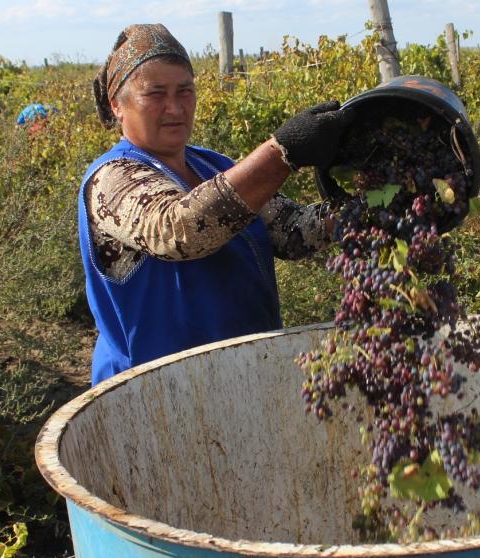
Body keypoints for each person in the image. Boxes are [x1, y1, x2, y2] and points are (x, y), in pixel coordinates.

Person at [79, 24, 355, 386]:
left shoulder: (213, 166)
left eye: (184, 91)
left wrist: (360, 212)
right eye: (155, 93)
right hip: (152, 395)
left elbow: (291, 231)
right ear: (118, 104)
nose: (174, 107)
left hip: (244, 379)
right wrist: (282, 152)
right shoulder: (112, 179)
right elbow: (179, 230)